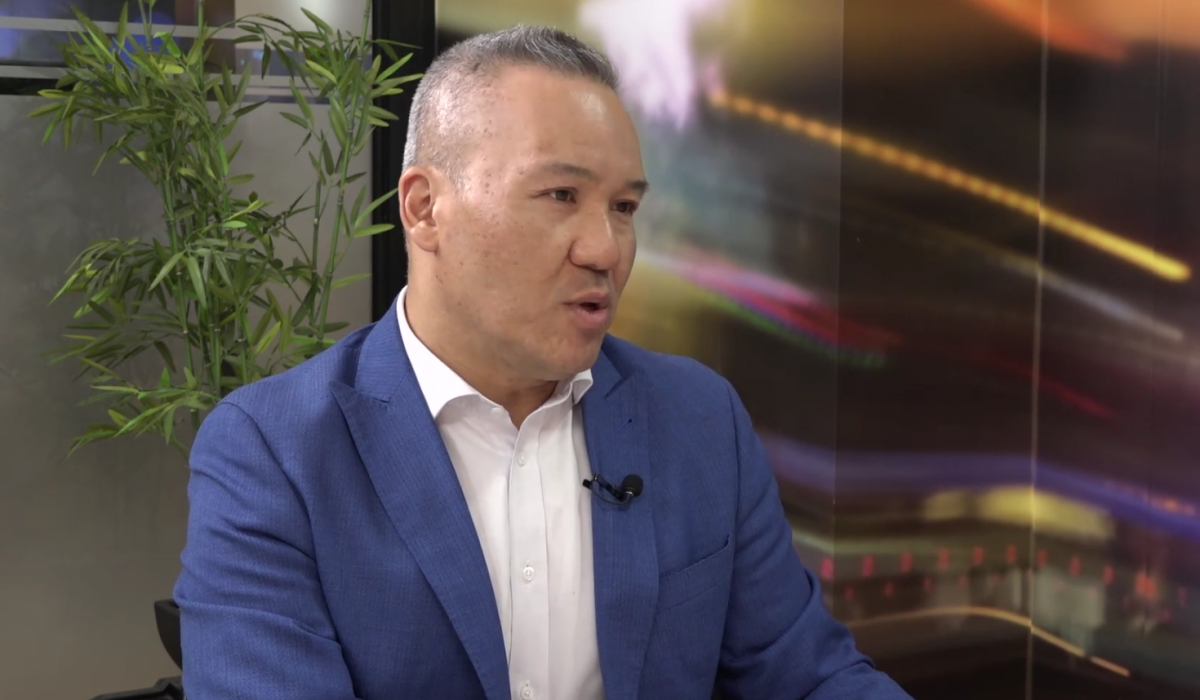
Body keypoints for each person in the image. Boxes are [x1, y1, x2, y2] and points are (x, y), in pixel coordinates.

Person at [174, 24, 913, 700]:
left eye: (624, 208)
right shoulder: (274, 453)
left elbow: (812, 678)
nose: (605, 250)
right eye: (561, 195)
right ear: (425, 209)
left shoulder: (699, 419)